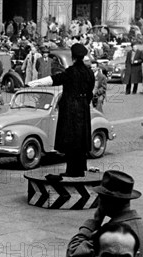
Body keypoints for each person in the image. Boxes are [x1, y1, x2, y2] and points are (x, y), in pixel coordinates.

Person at [28, 43, 94, 178]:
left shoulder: (71, 71)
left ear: (73, 57)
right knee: (80, 142)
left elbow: (56, 79)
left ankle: (71, 171)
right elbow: (90, 93)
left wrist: (35, 83)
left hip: (71, 111)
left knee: (71, 141)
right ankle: (81, 169)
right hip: (83, 109)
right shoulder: (89, 72)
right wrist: (83, 104)